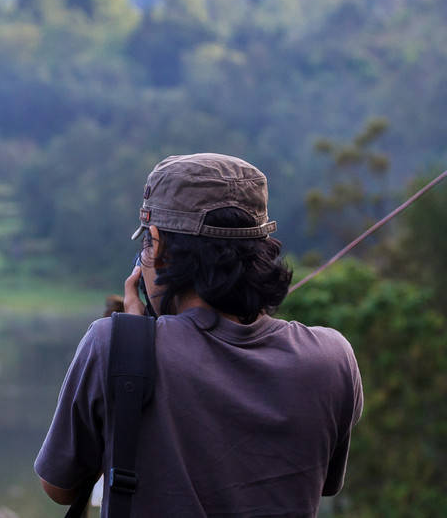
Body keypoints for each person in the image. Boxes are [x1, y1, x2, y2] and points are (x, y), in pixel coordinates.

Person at [34, 153, 364, 517]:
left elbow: (60, 486)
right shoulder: (332, 358)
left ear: (156, 247)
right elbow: (326, 482)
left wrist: (132, 343)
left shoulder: (112, 345)